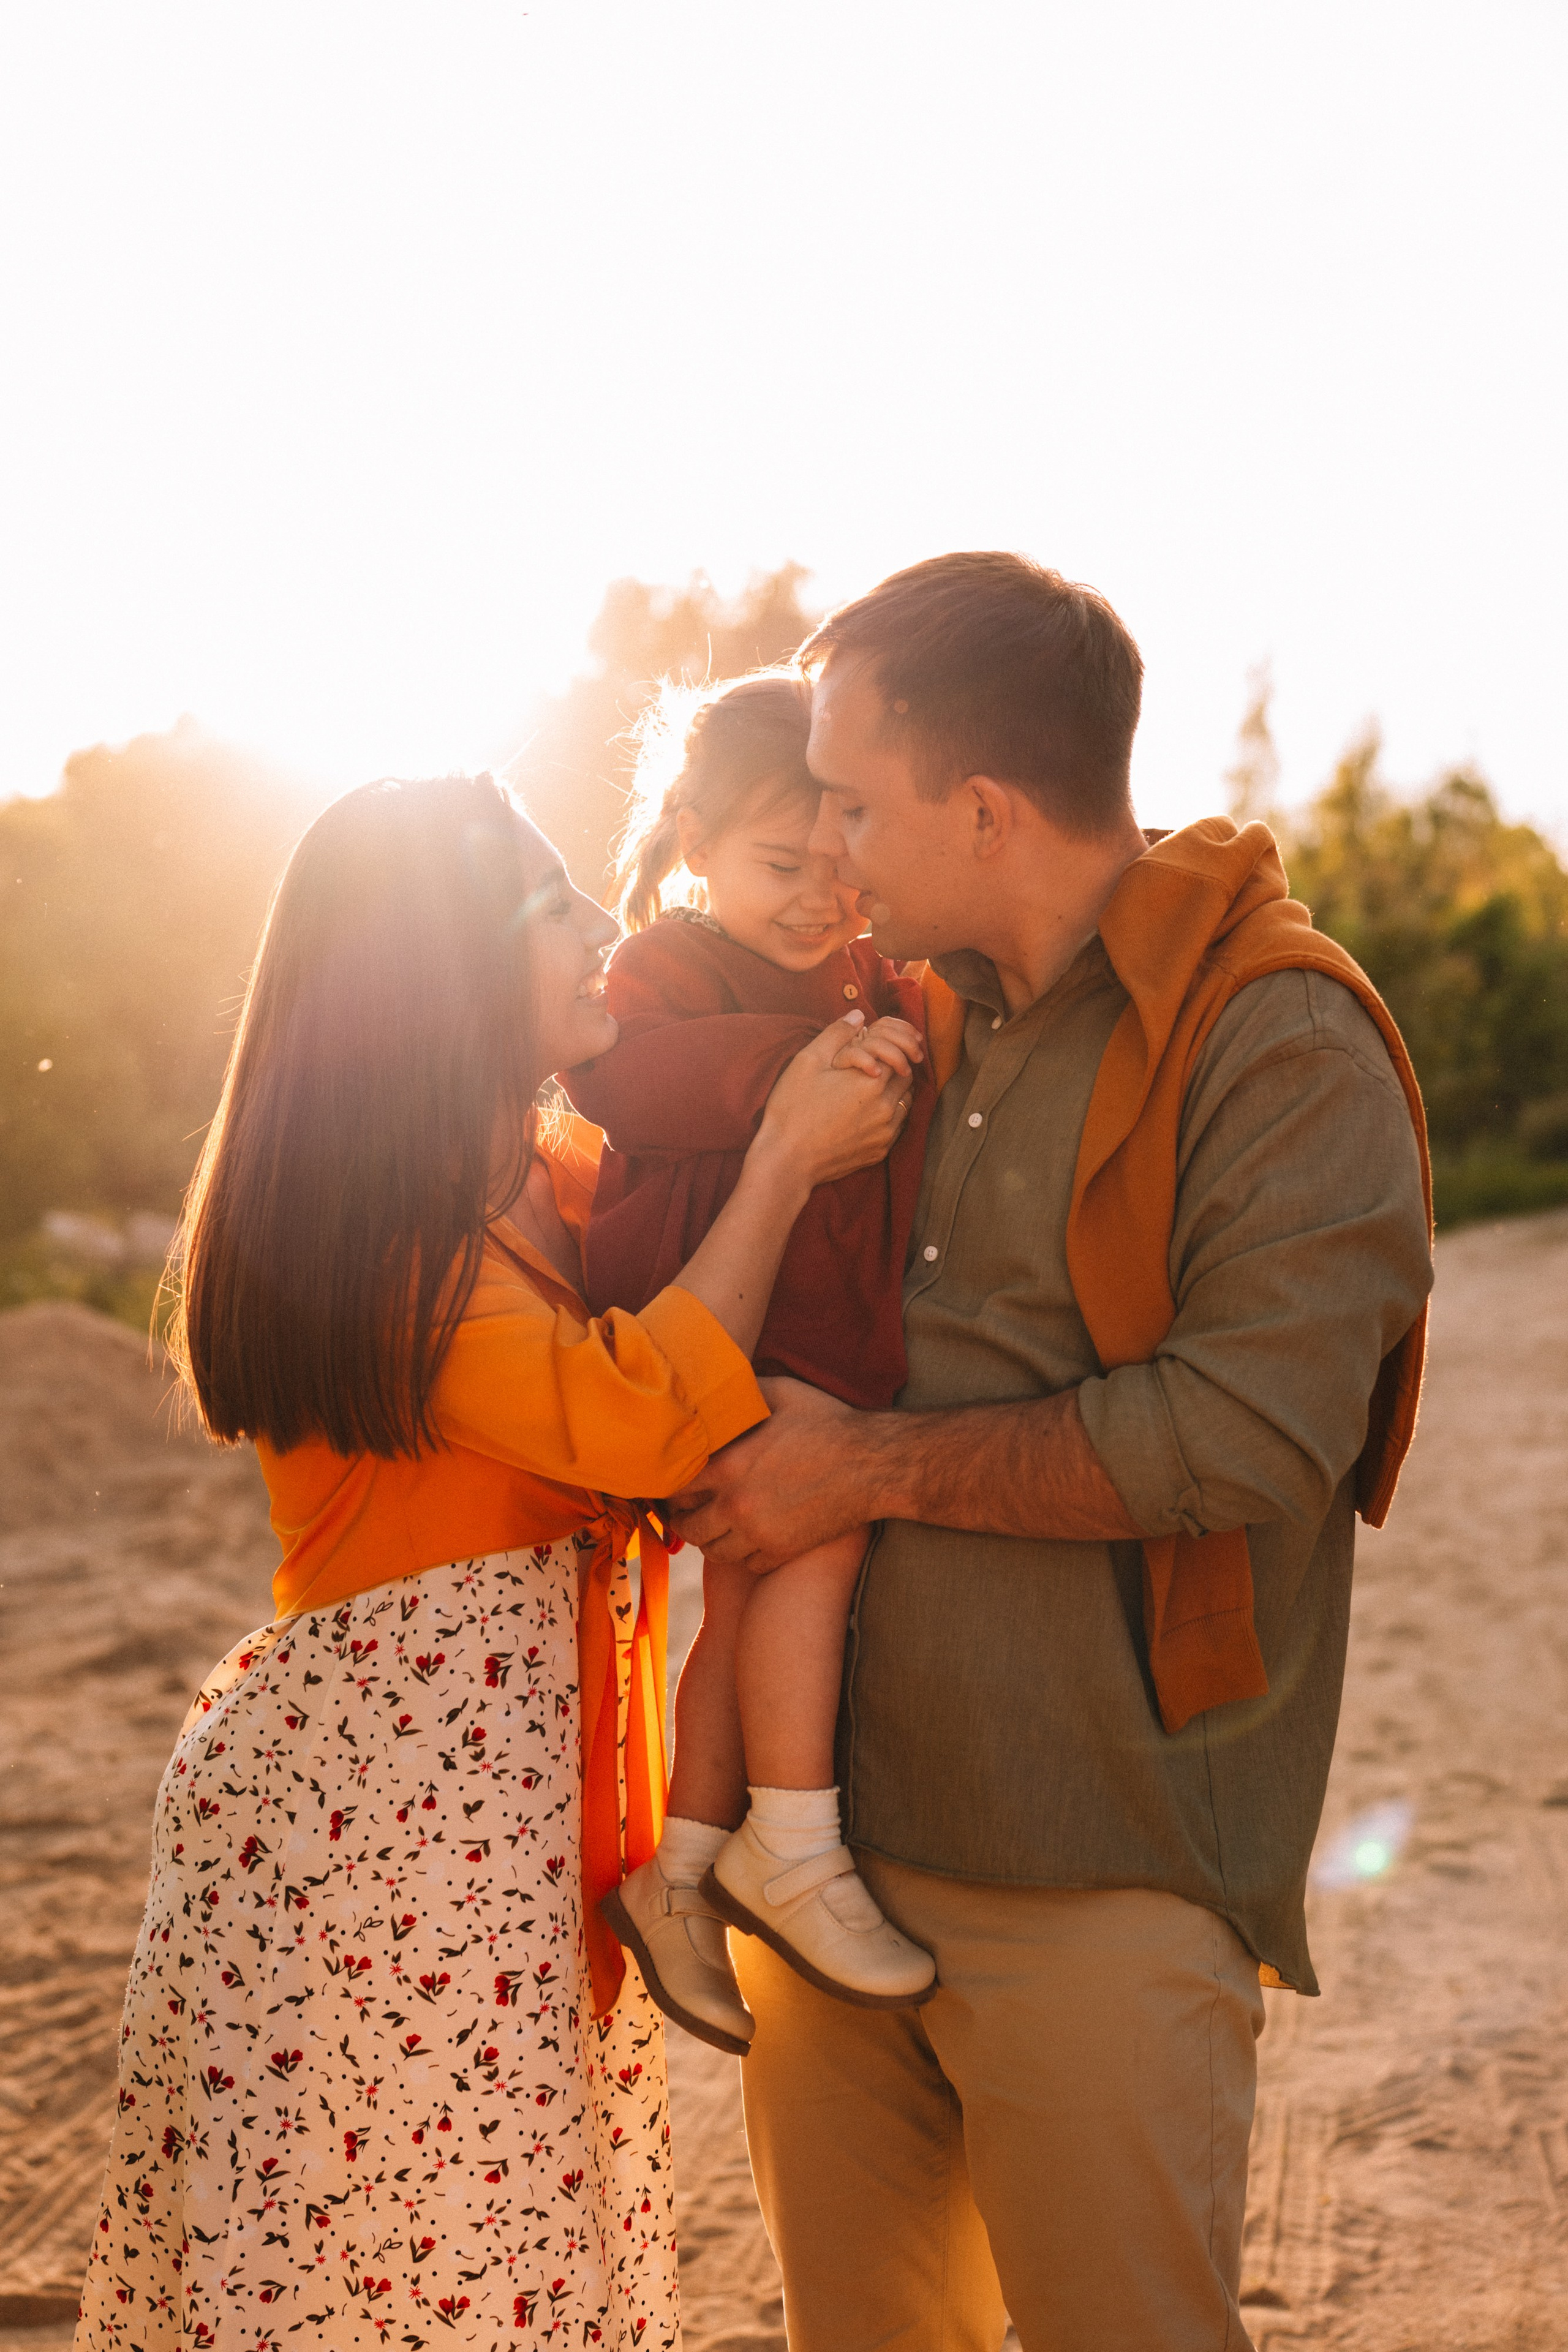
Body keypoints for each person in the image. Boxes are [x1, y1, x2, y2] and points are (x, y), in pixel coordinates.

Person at [670, 554, 1435, 2352]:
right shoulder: (902, 1013)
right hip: (831, 1869)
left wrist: (856, 1471)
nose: (831, 845)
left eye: (855, 803)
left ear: (985, 808)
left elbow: (1243, 1436)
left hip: (1101, 1869)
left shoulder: (1279, 1034)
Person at [75, 774, 910, 2352]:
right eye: (553, 908)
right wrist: (788, 1157)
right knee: (405, 2278)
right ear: (440, 975)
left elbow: (705, 1308)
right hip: (372, 1836)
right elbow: (639, 1416)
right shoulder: (389, 1242)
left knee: (490, 2264)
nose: (606, 925)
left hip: (501, 1830)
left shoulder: (555, 1175)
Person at [562, 673, 940, 2057]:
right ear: (694, 841)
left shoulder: (861, 976)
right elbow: (622, 1081)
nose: (816, 900)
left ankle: (675, 1876)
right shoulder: (663, 969)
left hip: (816, 1329)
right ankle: (794, 1839)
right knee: (816, 1549)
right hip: (708, 1313)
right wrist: (809, 1063)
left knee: (756, 1589)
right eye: (782, 867)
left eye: (842, 872)